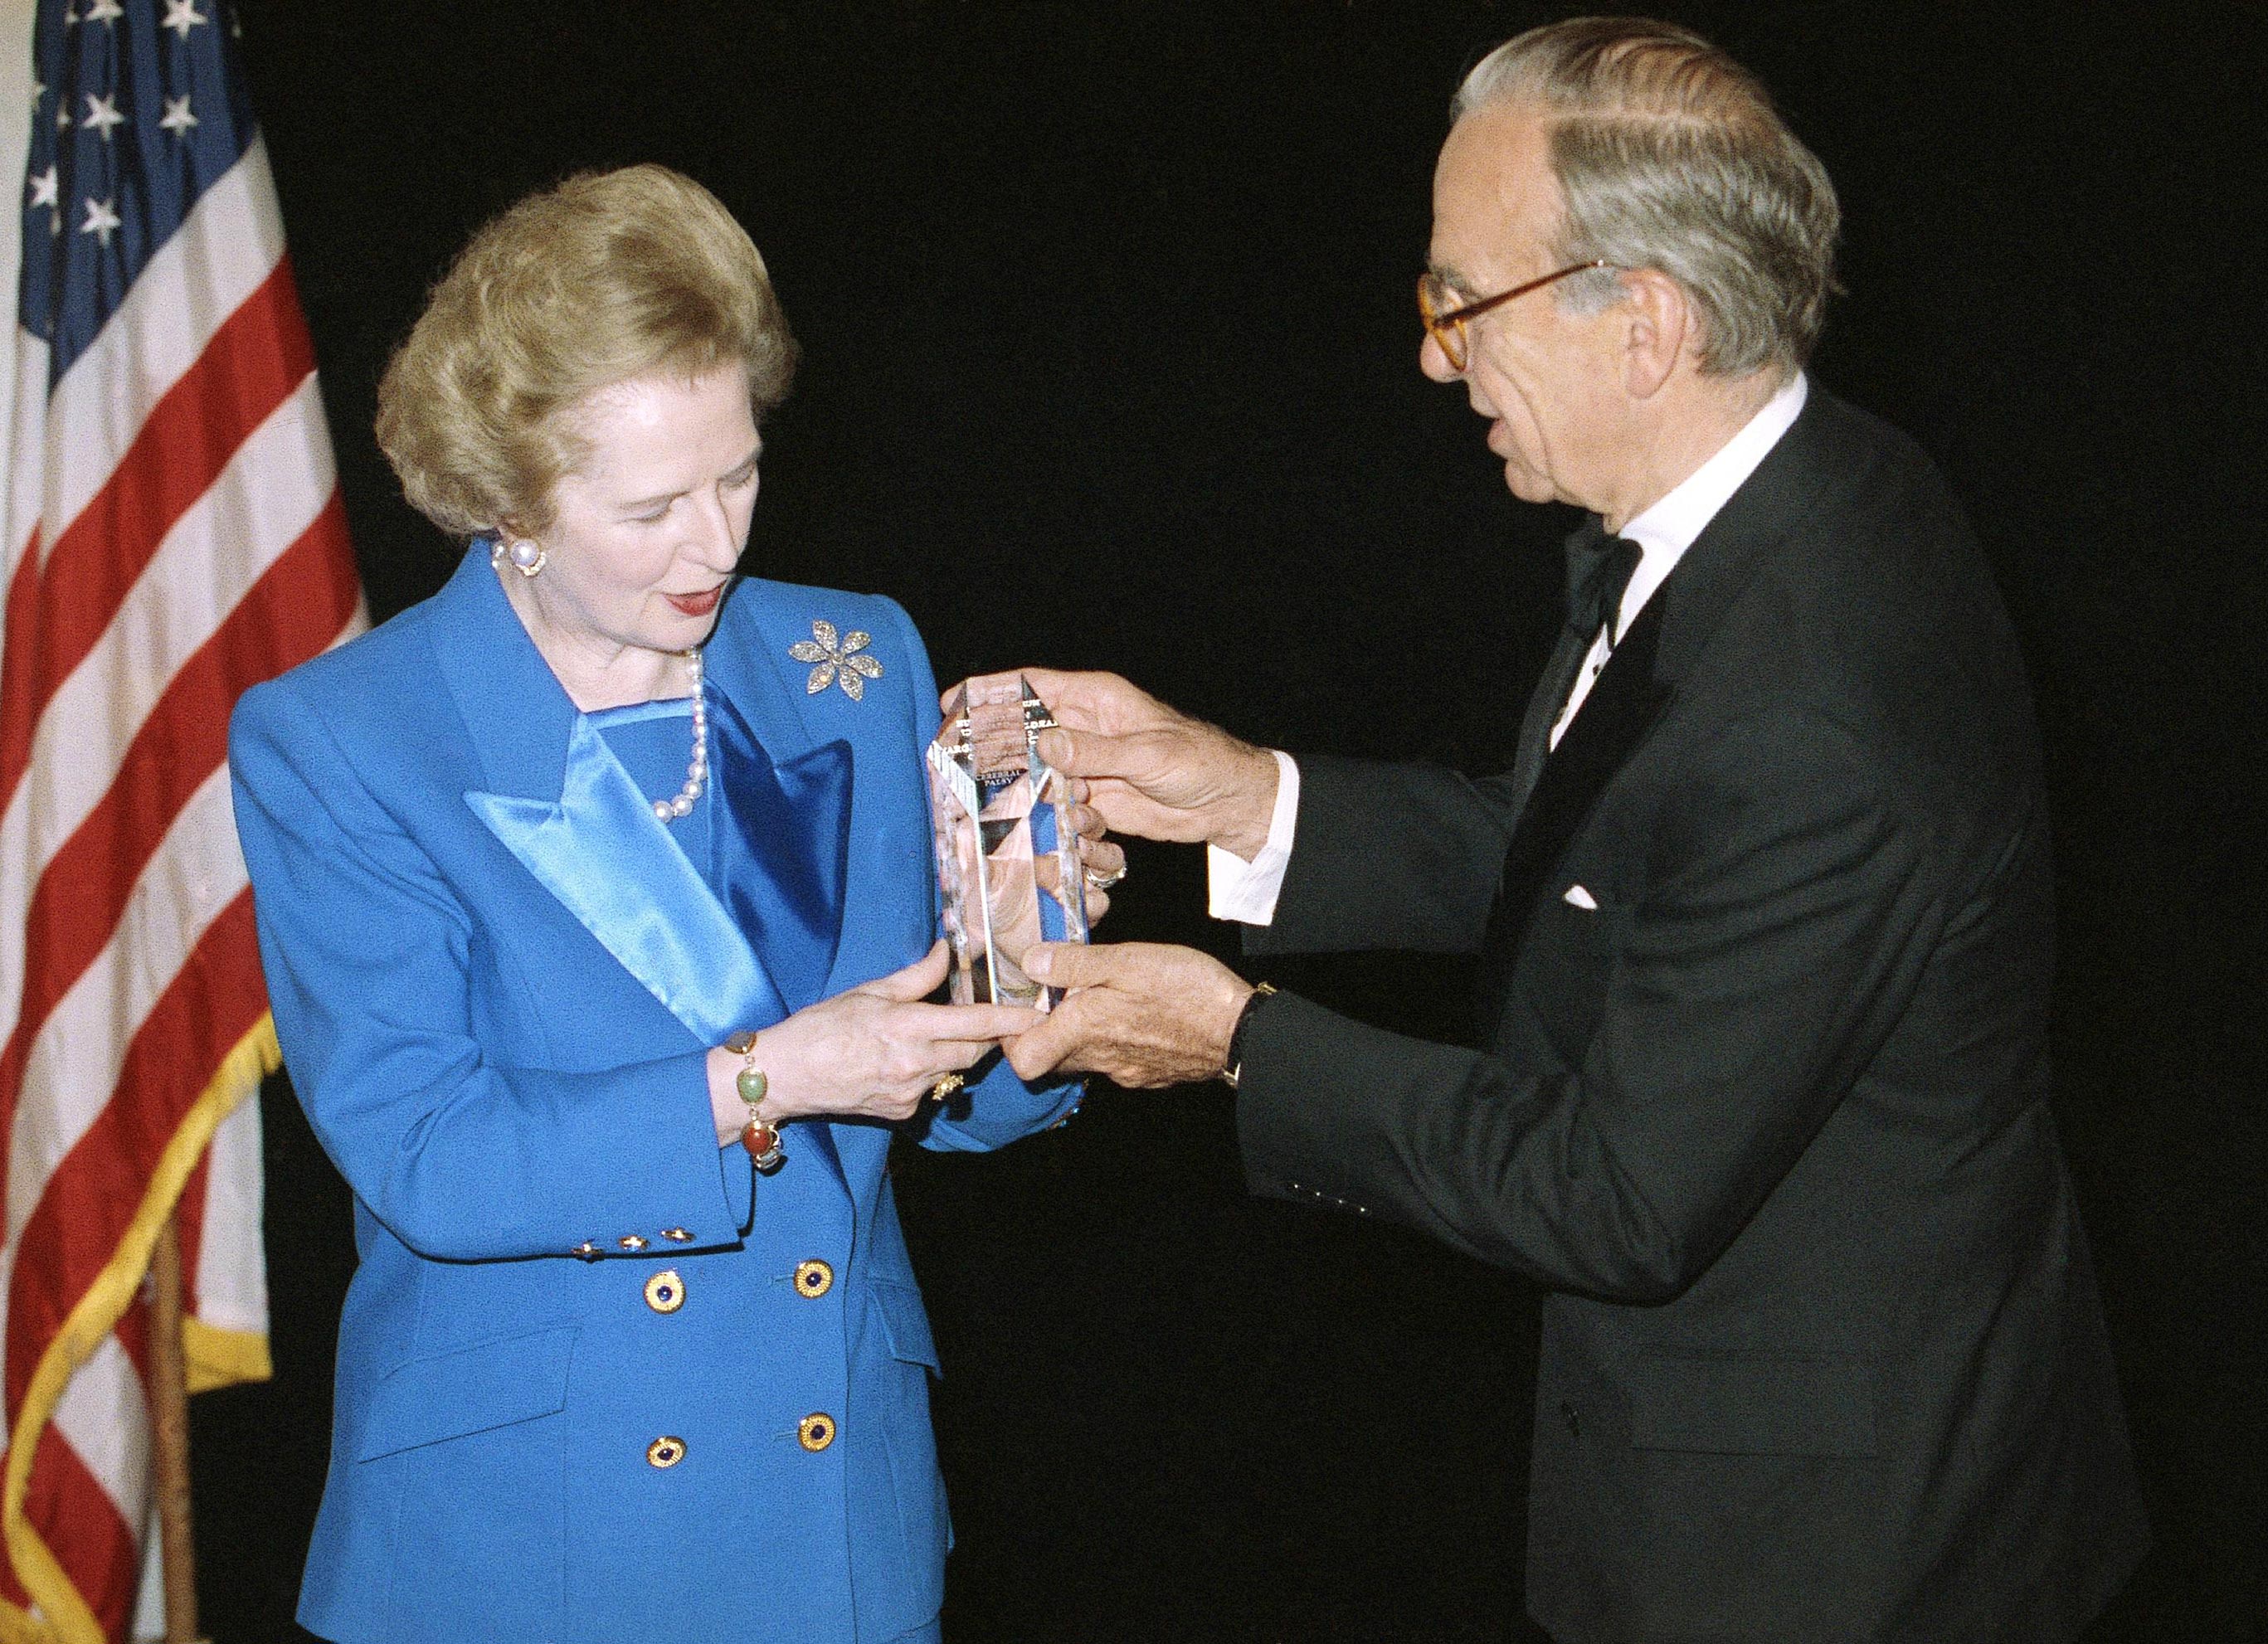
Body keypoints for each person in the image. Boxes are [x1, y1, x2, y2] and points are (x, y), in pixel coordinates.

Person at [999, 19, 2147, 1642]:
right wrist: (1245, 795)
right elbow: (1600, 862)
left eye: (1458, 301)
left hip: (1834, 1555)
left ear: (1644, 329)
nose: (1428, 356)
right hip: (1743, 1471)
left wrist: (1236, 1041)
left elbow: (1613, 1193)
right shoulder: (1764, 495)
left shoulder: (1823, 697)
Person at [229, 164, 1113, 1644]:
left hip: (833, 1515)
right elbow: (426, 1152)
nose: (718, 544)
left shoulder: (852, 653)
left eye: (740, 473)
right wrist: (765, 1074)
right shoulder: (351, 737)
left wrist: (1031, 974)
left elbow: (946, 1097)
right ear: (506, 498)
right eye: (650, 506)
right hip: (531, 1534)